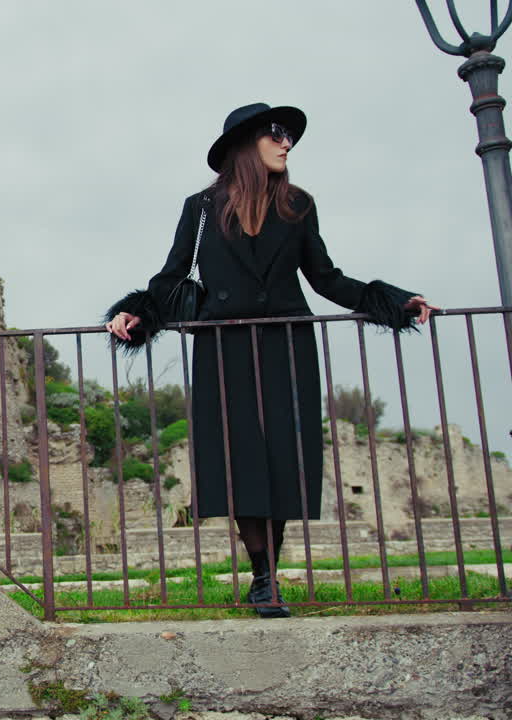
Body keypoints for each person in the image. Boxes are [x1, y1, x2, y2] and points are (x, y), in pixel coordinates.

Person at [104, 103, 437, 618]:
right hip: (224, 346)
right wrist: (134, 313)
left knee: (281, 458)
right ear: (245, 143)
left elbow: (326, 277)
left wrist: (395, 302)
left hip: (286, 344)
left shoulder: (298, 205)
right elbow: (171, 278)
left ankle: (268, 574)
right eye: (276, 134)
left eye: (288, 136)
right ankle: (263, 576)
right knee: (240, 461)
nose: (287, 143)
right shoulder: (200, 208)